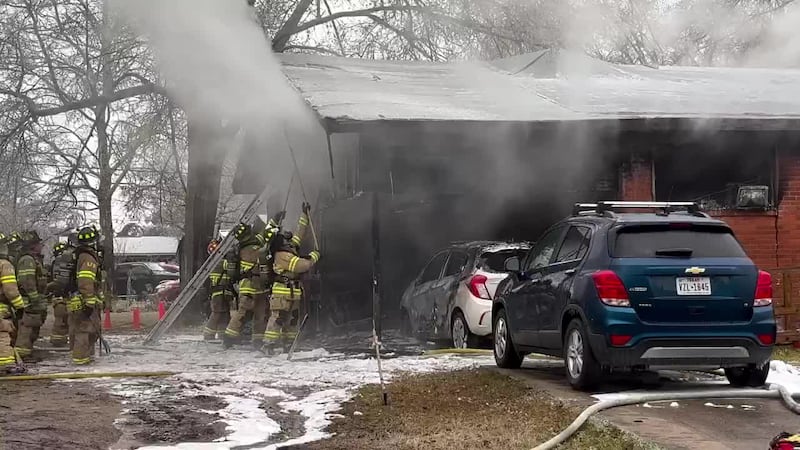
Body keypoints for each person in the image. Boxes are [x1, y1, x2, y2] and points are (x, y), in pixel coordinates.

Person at [262, 203, 320, 354]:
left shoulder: (288, 249)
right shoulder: (282, 255)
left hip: (292, 291)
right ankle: (269, 345)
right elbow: (300, 266)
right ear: (280, 243)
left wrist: (304, 215)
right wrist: (313, 257)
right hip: (282, 292)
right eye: (285, 239)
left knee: (292, 320)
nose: (289, 239)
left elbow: (300, 233)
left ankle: (289, 344)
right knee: (278, 319)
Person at [67, 226, 102, 365]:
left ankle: (86, 359)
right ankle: (81, 362)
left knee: (86, 332)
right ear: (93, 242)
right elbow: (85, 281)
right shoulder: (88, 258)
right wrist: (89, 302)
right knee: (84, 332)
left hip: (77, 299)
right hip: (83, 301)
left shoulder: (79, 255)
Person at [14, 231, 46, 358]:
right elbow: (27, 280)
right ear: (32, 245)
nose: (41, 246)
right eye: (39, 244)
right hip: (29, 301)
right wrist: (34, 298)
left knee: (32, 329)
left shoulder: (33, 259)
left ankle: (26, 354)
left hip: (33, 300)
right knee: (26, 330)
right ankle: (22, 357)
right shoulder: (27, 260)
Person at [0, 233, 25, 373]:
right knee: (3, 335)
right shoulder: (4, 265)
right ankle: (5, 366)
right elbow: (10, 290)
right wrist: (20, 306)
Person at [203, 237, 233, 340]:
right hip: (219, 292)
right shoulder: (218, 261)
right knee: (217, 313)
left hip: (224, 291)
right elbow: (229, 268)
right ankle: (208, 335)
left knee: (224, 315)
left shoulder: (212, 261)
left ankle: (222, 334)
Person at [47, 241, 75, 347]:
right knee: (64, 319)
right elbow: (62, 280)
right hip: (63, 295)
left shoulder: (56, 262)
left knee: (60, 320)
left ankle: (58, 340)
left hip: (58, 295)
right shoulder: (63, 260)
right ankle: (60, 341)